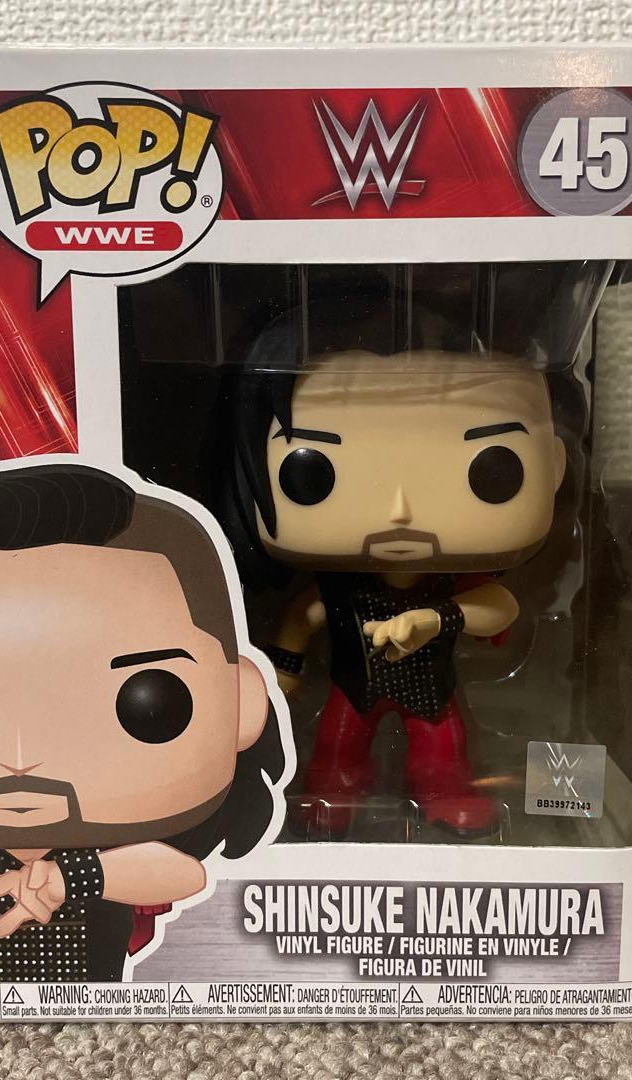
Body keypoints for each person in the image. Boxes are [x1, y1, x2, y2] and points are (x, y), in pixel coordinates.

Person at [227, 281, 570, 838]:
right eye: (312, 473)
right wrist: (281, 673)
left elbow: (499, 608)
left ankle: (444, 793)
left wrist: (435, 619)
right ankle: (332, 797)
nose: (399, 511)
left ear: (554, 466)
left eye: (491, 469)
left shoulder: (448, 582)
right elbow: (303, 618)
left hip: (430, 689)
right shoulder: (338, 588)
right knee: (337, 749)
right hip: (352, 689)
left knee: (441, 750)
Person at [0, 464, 287, 982]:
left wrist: (69, 877)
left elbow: (181, 872)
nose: (20, 757)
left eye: (147, 701)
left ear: (243, 700)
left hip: (99, 991)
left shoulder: (110, 852)